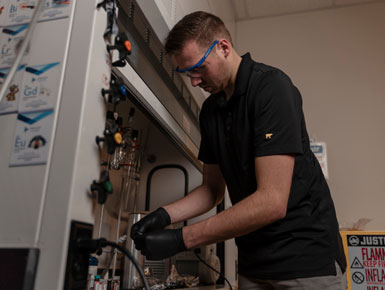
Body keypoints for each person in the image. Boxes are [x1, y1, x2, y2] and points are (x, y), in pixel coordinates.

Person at [131, 11, 347, 289]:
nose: (194, 81)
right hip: (252, 265)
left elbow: (272, 201)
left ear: (223, 48)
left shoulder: (271, 88)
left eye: (198, 68)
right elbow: (212, 190)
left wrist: (181, 239)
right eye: (186, 73)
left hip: (304, 263)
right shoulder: (211, 111)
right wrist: (161, 216)